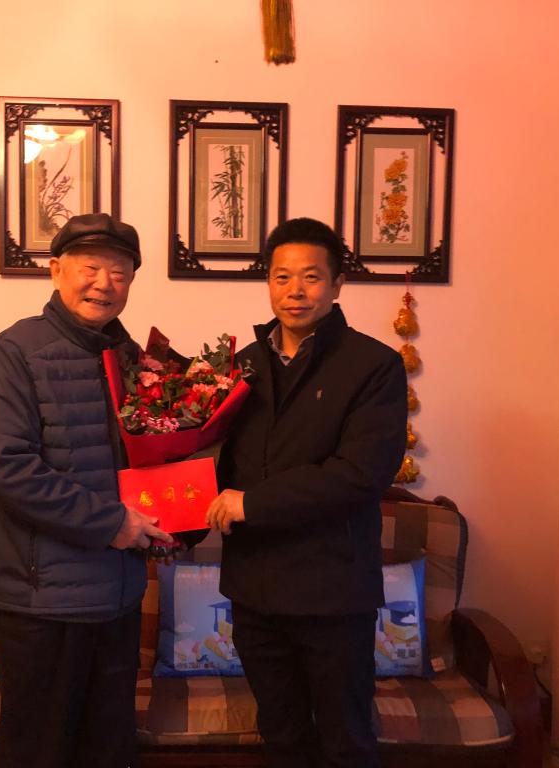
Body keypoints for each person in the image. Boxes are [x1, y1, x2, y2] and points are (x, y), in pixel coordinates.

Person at [205, 217, 408, 768]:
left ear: (337, 284)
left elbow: (360, 474)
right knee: (281, 735)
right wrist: (177, 507)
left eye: (311, 277)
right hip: (254, 589)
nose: (295, 290)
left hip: (332, 592)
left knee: (346, 739)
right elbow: (218, 461)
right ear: (268, 283)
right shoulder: (242, 367)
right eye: (282, 277)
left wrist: (251, 503)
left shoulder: (373, 366)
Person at [0, 213, 173, 768]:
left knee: (109, 748)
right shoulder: (15, 351)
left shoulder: (135, 359)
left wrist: (176, 508)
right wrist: (113, 523)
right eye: (91, 268)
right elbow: (9, 469)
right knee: (38, 751)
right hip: (41, 605)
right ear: (56, 270)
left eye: (120, 273)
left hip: (117, 596)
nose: (105, 284)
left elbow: (151, 462)